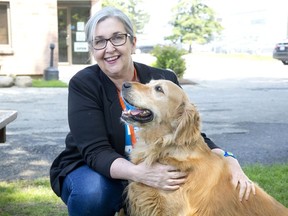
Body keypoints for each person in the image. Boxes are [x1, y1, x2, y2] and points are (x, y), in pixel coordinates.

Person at [50, 6, 255, 216]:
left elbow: (188, 130)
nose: (109, 48)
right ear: (93, 49)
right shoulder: (84, 84)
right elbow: (96, 152)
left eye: (117, 38)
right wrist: (140, 174)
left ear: (133, 42)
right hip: (94, 169)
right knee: (94, 192)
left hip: (149, 168)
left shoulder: (164, 78)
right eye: (99, 41)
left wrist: (229, 159)